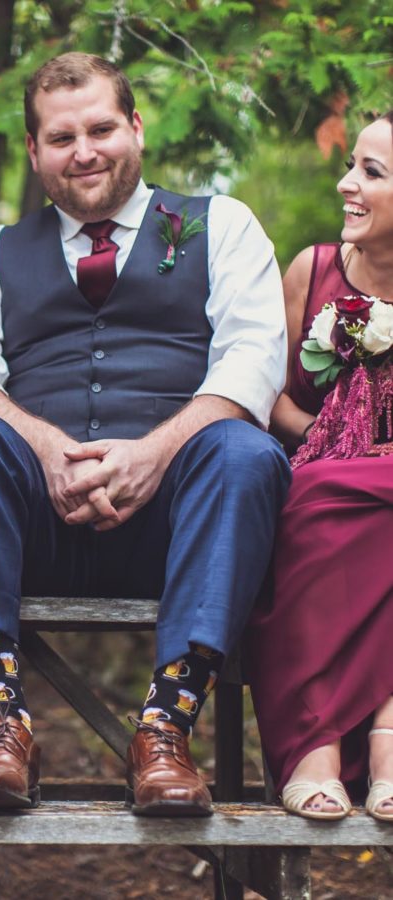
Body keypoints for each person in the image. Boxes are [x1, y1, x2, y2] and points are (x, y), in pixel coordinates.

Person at [0, 52, 291, 815]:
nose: (83, 151)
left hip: (178, 520)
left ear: (136, 129)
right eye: (61, 138)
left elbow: (255, 363)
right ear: (34, 152)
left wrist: (155, 454)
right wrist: (46, 447)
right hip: (36, 525)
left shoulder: (219, 225)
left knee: (246, 452)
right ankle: (1, 725)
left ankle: (163, 733)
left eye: (100, 128)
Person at [248, 111, 393, 822]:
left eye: (372, 172)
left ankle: (389, 737)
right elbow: (266, 394)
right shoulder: (313, 270)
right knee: (321, 491)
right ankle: (316, 745)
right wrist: (331, 440)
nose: (348, 184)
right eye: (352, 166)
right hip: (316, 473)